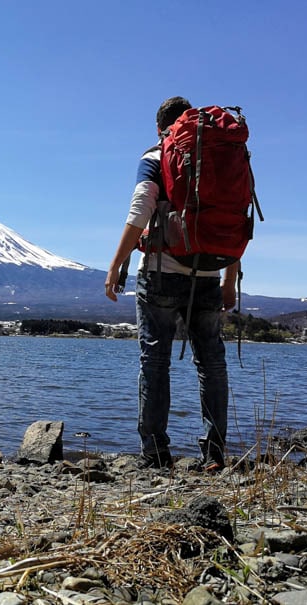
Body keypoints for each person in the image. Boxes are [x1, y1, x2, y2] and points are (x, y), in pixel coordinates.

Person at [105, 96, 239, 471]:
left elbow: (140, 208)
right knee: (211, 363)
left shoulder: (156, 156)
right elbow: (229, 224)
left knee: (155, 362)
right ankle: (214, 454)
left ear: (159, 126)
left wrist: (115, 264)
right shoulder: (215, 158)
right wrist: (229, 280)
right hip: (210, 274)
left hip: (162, 273)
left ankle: (156, 454)